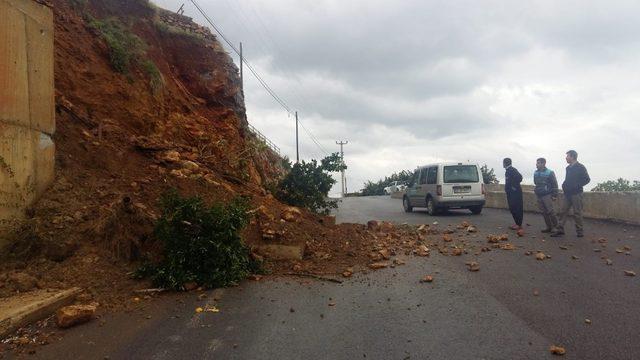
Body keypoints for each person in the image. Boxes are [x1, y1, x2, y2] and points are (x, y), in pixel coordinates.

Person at [551, 150, 590, 238]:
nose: (566, 158)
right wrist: (564, 184)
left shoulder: (581, 167)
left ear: (572, 157)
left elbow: (587, 179)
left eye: (567, 156)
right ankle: (560, 230)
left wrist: (577, 185)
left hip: (576, 193)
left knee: (577, 213)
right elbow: (568, 179)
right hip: (567, 194)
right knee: (562, 211)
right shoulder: (568, 168)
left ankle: (580, 232)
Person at [533, 158, 559, 233]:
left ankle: (557, 228)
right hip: (539, 194)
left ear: (543, 164)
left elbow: (555, 184)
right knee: (543, 212)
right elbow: (535, 182)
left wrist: (554, 195)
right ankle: (549, 227)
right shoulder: (535, 172)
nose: (536, 164)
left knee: (551, 211)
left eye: (538, 163)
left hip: (547, 194)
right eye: (536, 163)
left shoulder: (550, 172)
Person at [503, 158, 523, 230]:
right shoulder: (508, 171)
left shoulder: (512, 170)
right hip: (510, 193)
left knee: (516, 208)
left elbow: (520, 178)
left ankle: (519, 224)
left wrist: (513, 187)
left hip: (515, 193)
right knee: (512, 208)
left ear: (505, 163)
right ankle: (516, 223)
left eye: (503, 163)